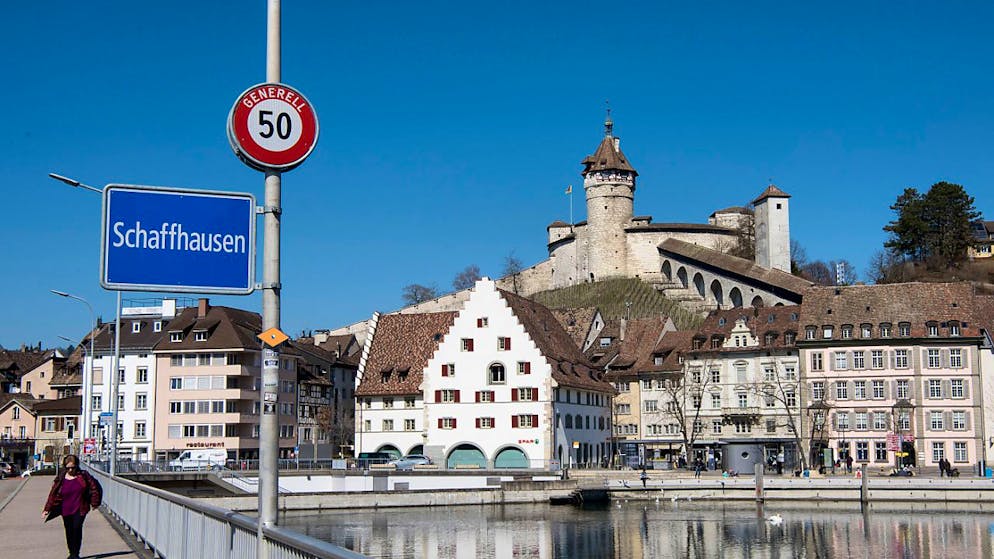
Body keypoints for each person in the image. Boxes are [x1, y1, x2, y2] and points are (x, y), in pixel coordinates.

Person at [42, 455, 102, 559]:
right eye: (68, 468)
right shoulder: (61, 478)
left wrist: (94, 503)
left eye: (73, 468)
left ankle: (75, 554)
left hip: (80, 508)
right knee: (69, 531)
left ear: (77, 466)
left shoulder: (83, 476)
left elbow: (94, 488)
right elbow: (53, 494)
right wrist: (47, 509)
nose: (70, 470)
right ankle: (71, 552)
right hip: (65, 509)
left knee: (77, 528)